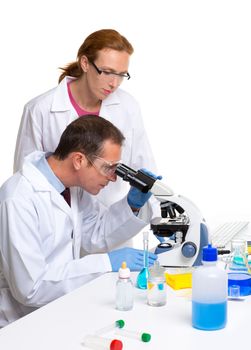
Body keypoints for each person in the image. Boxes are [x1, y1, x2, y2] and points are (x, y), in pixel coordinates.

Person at [0, 116, 158, 327]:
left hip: (61, 311)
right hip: (23, 323)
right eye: (109, 168)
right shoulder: (18, 199)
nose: (113, 178)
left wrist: (132, 205)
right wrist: (106, 263)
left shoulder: (72, 188)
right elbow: (30, 288)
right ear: (78, 160)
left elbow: (94, 235)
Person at [13, 28, 159, 227]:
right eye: (107, 72)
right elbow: (26, 176)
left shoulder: (128, 107)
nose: (114, 83)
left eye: (121, 74)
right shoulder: (40, 109)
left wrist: (155, 212)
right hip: (55, 225)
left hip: (112, 224)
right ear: (85, 63)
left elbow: (143, 165)